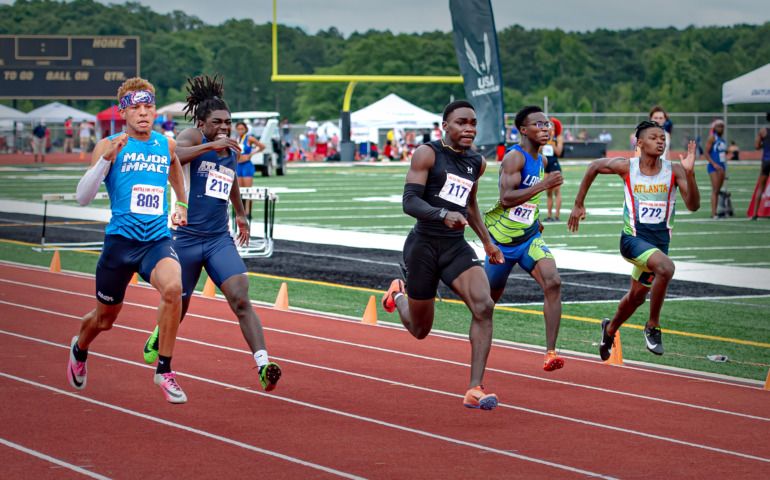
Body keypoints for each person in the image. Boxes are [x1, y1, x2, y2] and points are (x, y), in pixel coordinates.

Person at [141, 73, 281, 392]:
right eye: (217, 121)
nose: (224, 127)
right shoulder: (191, 136)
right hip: (185, 239)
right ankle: (159, 335)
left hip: (219, 239)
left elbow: (229, 178)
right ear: (202, 122)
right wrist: (210, 144)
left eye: (227, 122)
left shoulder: (229, 149)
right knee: (181, 304)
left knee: (240, 297)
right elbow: (170, 156)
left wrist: (241, 215)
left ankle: (263, 364)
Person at [68, 77, 190, 403]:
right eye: (136, 108)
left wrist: (181, 201)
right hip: (120, 244)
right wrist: (106, 159)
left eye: (148, 106)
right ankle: (80, 347)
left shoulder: (166, 144)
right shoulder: (109, 144)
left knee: (174, 288)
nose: (143, 113)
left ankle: (164, 370)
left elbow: (175, 164)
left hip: (155, 241)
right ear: (124, 112)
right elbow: (82, 198)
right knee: (104, 320)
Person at [381, 100, 504, 410]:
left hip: (455, 246)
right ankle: (398, 294)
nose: (469, 128)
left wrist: (487, 242)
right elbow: (409, 202)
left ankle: (475, 387)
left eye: (473, 123)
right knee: (421, 331)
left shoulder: (476, 161)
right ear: (445, 126)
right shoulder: (428, 153)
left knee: (484, 305)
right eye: (461, 122)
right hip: (423, 246)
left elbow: (471, 204)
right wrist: (441, 213)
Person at [567, 120, 700, 360]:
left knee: (637, 297)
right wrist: (578, 204)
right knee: (666, 268)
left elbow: (693, 205)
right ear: (639, 143)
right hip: (632, 241)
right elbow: (594, 165)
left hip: (659, 245)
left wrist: (690, 174)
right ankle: (653, 326)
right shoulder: (628, 167)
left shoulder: (675, 170)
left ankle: (609, 329)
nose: (660, 141)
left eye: (663, 137)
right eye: (653, 137)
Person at [484, 106, 565, 371]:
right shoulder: (514, 158)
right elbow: (507, 199)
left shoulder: (541, 161)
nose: (545, 128)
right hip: (503, 245)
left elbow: (530, 198)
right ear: (523, 130)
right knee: (485, 305)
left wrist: (536, 218)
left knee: (553, 282)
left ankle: (550, 353)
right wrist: (544, 185)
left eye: (547, 124)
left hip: (529, 238)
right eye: (539, 125)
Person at [234, 121, 265, 219]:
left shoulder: (249, 138)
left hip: (247, 165)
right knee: (240, 191)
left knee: (248, 191)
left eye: (242, 129)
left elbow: (262, 146)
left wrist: (251, 154)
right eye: (238, 129)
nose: (240, 131)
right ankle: (241, 212)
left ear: (245, 129)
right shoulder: (236, 139)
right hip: (239, 166)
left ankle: (248, 212)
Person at [703, 119, 727, 219]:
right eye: (718, 126)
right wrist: (714, 164)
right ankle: (714, 213)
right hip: (714, 167)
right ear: (714, 128)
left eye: (721, 126)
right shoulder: (712, 138)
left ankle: (721, 209)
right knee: (715, 189)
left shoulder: (723, 139)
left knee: (718, 189)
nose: (720, 128)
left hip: (722, 166)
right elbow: (706, 152)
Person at [542, 117, 563, 221]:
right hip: (546, 165)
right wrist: (546, 140)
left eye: (551, 125)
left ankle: (557, 215)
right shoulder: (543, 138)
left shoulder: (558, 138)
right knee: (548, 191)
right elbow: (539, 150)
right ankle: (549, 215)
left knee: (556, 191)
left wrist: (551, 140)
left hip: (554, 164)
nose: (549, 128)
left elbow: (559, 152)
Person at [751, 113, 770, 220]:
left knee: (761, 187)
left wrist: (765, 144)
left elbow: (757, 146)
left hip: (766, 160)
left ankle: (754, 214)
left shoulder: (763, 131)